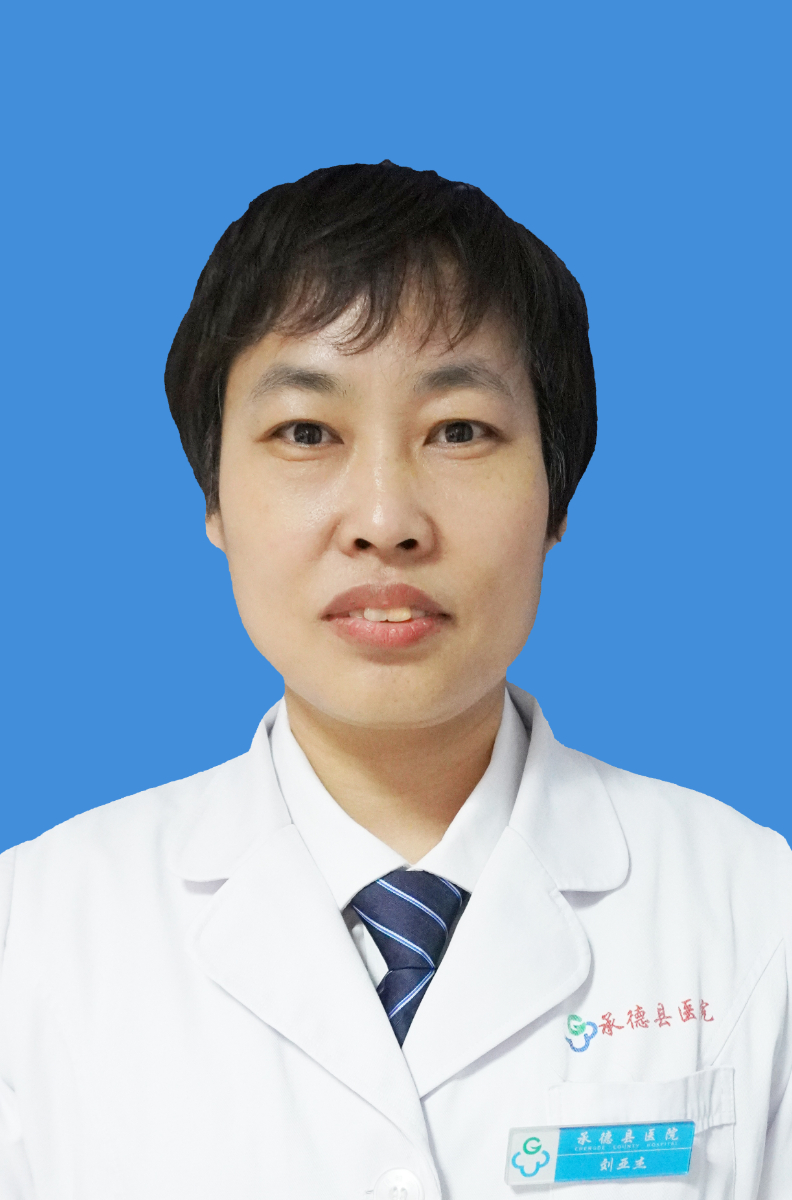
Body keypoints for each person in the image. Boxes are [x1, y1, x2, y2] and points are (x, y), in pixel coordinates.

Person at [0, 162, 789, 1200]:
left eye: (459, 430)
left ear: (557, 497)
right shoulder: (33, 937)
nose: (385, 519)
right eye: (306, 433)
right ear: (215, 499)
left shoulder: (754, 914)